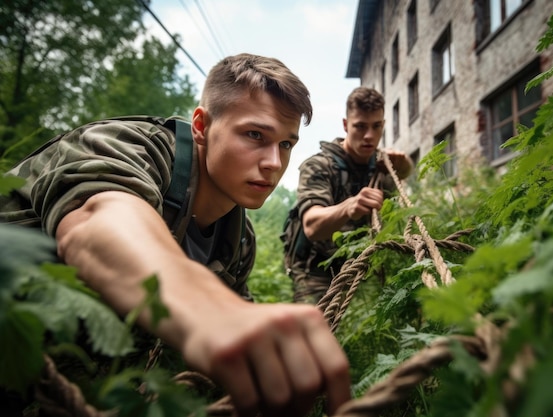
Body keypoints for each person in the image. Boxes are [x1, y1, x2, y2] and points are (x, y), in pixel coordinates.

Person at [0, 53, 350, 417]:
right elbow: (97, 220)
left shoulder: (237, 240)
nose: (273, 163)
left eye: (286, 144)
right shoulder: (131, 147)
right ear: (201, 125)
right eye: (254, 135)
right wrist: (211, 310)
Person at [288, 86, 413, 304]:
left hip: (364, 264)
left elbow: (404, 171)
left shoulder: (382, 165)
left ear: (383, 125)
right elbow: (311, 225)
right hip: (317, 268)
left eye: (376, 127)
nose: (369, 136)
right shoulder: (319, 166)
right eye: (360, 127)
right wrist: (349, 207)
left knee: (377, 327)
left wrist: (405, 164)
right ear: (346, 125)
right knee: (316, 330)